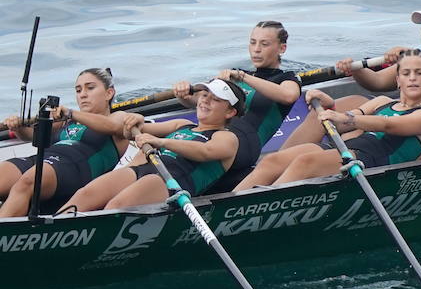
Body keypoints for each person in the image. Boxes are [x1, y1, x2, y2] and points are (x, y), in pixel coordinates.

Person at [281, 3, 421, 150]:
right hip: (395, 109)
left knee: (356, 133)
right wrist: (356, 69)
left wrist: (411, 54)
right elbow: (376, 82)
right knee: (324, 112)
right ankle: (283, 158)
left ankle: (326, 160)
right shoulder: (415, 60)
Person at [235, 50, 421, 188]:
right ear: (398, 80)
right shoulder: (382, 101)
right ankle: (231, 203)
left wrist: (343, 117)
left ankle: (261, 206)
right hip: (345, 152)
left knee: (306, 162)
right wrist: (329, 105)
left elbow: (388, 124)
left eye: (419, 73)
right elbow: (345, 121)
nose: (412, 78)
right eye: (406, 73)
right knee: (273, 160)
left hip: (371, 163)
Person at [68, 78, 244, 211]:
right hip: (144, 170)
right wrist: (136, 120)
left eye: (216, 99)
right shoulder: (182, 124)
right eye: (205, 95)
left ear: (230, 112)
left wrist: (162, 142)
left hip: (171, 183)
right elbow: (133, 130)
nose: (205, 100)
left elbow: (205, 151)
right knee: (85, 194)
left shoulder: (227, 138)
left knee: (116, 205)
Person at [171, 21, 302, 191]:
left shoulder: (287, 78)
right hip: (217, 134)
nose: (256, 49)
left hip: (245, 144)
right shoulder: (237, 74)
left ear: (282, 49)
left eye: (264, 44)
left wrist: (242, 77)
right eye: (252, 42)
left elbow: (288, 96)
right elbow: (201, 102)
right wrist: (183, 95)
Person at [0, 68, 132, 217]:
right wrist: (18, 127)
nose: (83, 94)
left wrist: (71, 112)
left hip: (77, 169)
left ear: (109, 93)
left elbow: (112, 127)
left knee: (27, 182)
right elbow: (32, 136)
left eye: (90, 88)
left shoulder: (119, 117)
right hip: (45, 160)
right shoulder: (67, 120)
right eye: (78, 90)